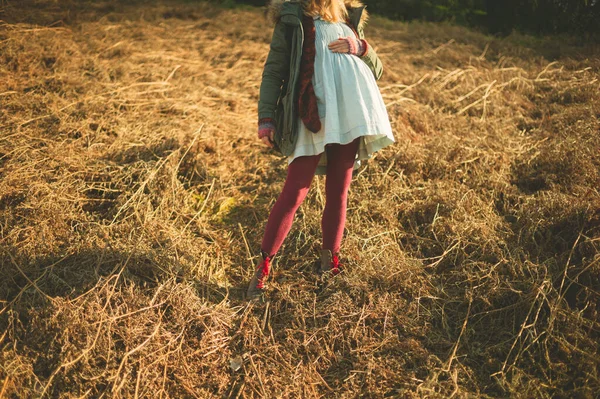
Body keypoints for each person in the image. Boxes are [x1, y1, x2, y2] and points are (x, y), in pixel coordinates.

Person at [246, 0, 395, 299]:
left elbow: (377, 70)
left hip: (349, 111)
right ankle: (262, 268)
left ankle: (330, 262)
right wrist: (266, 117)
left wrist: (362, 48)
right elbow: (274, 71)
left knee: (339, 191)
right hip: (311, 111)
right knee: (295, 191)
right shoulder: (293, 18)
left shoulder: (350, 17)